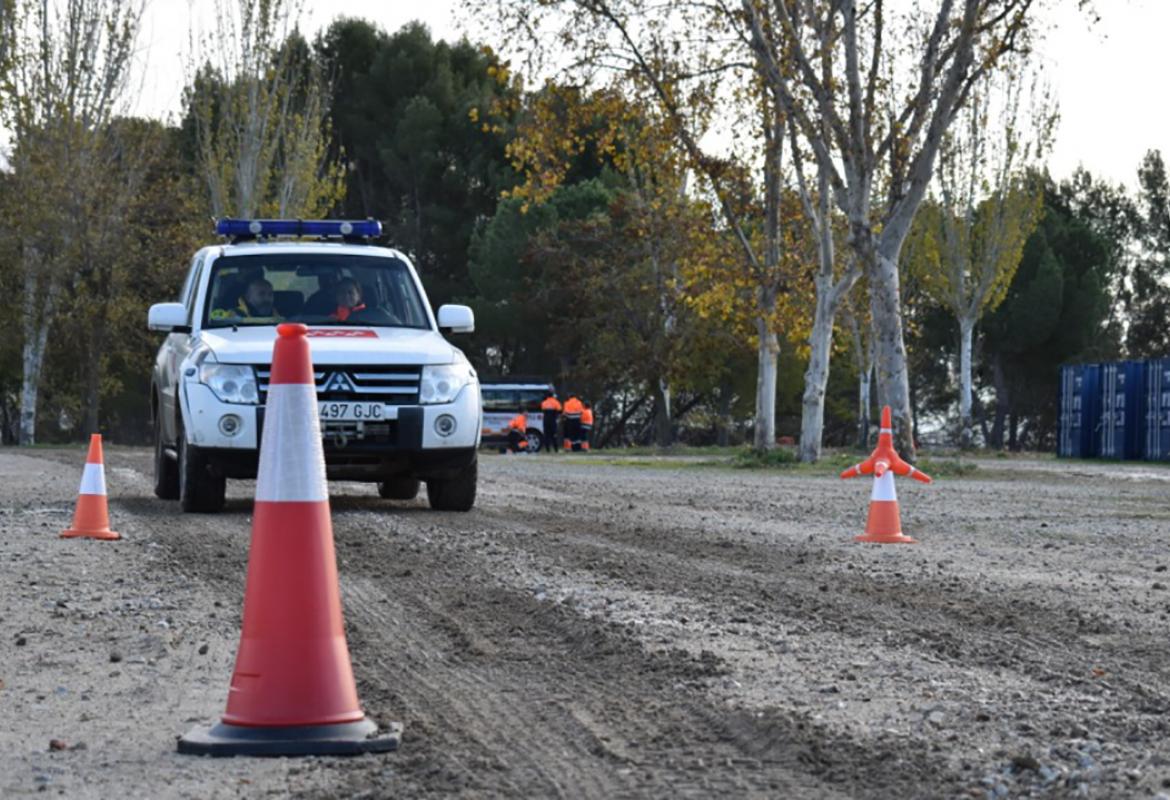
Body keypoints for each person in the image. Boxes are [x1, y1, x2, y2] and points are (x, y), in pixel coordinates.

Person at [211, 277, 280, 321]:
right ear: (248, 297)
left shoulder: (280, 315)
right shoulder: (233, 316)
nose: (267, 298)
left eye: (270, 294)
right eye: (261, 294)